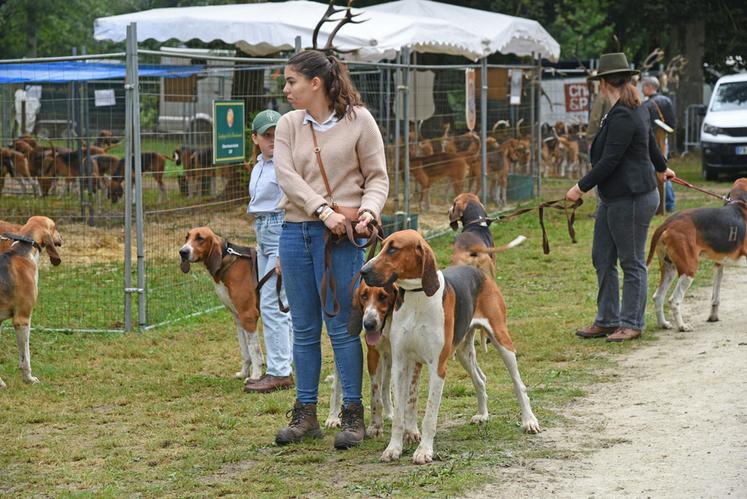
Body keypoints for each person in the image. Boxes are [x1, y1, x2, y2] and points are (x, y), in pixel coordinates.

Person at [272, 50, 389, 449]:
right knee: (303, 327)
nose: (286, 89)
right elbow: (286, 176)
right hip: (297, 231)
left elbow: (377, 178)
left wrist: (368, 213)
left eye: (292, 82)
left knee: (343, 327)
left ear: (315, 83)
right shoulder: (288, 125)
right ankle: (306, 414)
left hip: (343, 239)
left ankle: (352, 415)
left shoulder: (360, 121)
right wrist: (323, 210)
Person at [565, 53, 675, 343]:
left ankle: (631, 323)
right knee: (602, 257)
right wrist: (663, 167)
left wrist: (580, 187)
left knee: (632, 261)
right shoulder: (629, 107)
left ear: (603, 83)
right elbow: (650, 142)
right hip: (614, 197)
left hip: (633, 197)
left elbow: (611, 160)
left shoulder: (627, 112)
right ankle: (607, 319)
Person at [243, 109, 295, 394]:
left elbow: (289, 203)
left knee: (273, 301)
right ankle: (284, 363)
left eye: (278, 134)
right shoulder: (260, 165)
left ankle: (279, 371)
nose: (273, 140)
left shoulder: (284, 165)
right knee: (277, 300)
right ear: (255, 139)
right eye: (267, 135)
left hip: (278, 226)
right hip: (264, 229)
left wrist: (278, 253)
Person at [642, 75, 677, 212]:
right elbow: (672, 124)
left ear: (650, 87)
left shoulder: (646, 105)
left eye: (644, 86)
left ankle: (664, 203)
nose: (643, 89)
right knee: (663, 168)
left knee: (658, 170)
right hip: (664, 140)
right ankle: (669, 203)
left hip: (652, 142)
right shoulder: (667, 101)